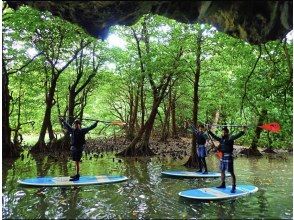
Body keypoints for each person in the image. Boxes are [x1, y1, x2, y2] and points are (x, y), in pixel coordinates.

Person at [208, 126, 247, 193]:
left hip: (228, 156)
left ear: (226, 133)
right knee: (222, 170)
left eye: (223, 132)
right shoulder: (221, 139)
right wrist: (209, 131)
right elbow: (215, 137)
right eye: (222, 132)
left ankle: (233, 187)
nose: (222, 133)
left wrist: (243, 130)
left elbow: (238, 135)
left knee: (231, 172)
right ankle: (223, 184)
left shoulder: (230, 138)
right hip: (222, 157)